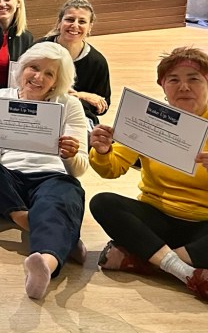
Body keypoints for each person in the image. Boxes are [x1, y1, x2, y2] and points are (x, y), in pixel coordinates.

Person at [0, 42, 89, 300]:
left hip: (51, 176)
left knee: (64, 193)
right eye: (34, 68)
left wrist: (71, 154)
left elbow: (79, 169)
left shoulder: (70, 105)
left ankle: (45, 266)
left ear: (57, 81)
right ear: (22, 68)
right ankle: (49, 229)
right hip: (9, 179)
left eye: (49, 73)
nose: (38, 77)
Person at [88, 46, 208, 300]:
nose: (184, 87)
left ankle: (149, 260)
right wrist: (102, 151)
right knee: (103, 203)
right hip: (156, 217)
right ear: (162, 86)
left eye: (194, 79)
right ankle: (186, 271)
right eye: (173, 80)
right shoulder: (148, 119)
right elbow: (112, 169)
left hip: (204, 224)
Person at [39, 0, 111, 125]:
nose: (75, 25)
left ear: (90, 27)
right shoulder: (39, 49)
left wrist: (73, 96)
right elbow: (24, 87)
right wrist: (81, 95)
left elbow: (102, 106)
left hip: (78, 117)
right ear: (59, 23)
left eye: (82, 22)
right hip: (41, 113)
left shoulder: (97, 62)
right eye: (70, 19)